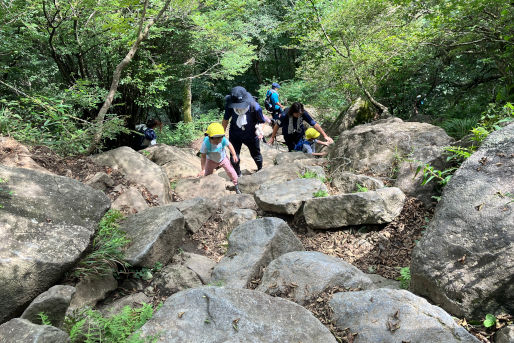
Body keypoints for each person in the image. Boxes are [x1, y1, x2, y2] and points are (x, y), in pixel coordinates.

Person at [222, 86, 266, 176]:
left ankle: (260, 169)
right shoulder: (230, 106)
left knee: (256, 154)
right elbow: (225, 119)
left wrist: (260, 130)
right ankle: (238, 175)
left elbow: (262, 121)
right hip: (235, 134)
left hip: (251, 134)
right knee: (234, 156)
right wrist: (221, 135)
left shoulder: (255, 107)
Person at [268, 102, 334, 151]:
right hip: (288, 135)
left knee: (301, 149)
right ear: (292, 112)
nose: (299, 115)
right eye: (297, 114)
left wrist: (325, 136)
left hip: (299, 134)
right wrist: (272, 137)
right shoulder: (284, 115)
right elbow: (277, 125)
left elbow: (314, 124)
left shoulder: (303, 113)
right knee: (292, 150)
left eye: (300, 114)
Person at [198, 123, 241, 194]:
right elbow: (203, 157)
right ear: (209, 137)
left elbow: (229, 145)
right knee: (207, 174)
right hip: (211, 160)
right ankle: (208, 186)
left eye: (219, 140)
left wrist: (234, 155)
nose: (218, 142)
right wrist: (203, 169)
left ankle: (237, 185)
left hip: (223, 158)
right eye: (215, 141)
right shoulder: (206, 144)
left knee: (231, 171)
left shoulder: (223, 140)